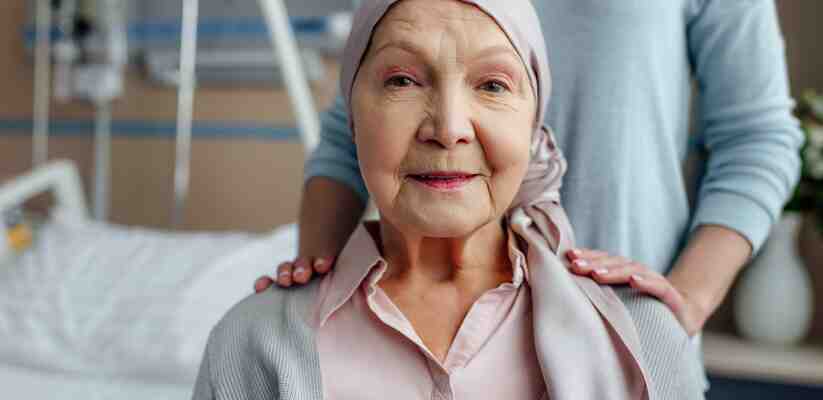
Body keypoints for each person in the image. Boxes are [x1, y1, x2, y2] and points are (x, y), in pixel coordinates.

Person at [254, 0, 804, 391]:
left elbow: (758, 139)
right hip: (417, 344)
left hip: (623, 358)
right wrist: (312, 296)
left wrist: (679, 311)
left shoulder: (650, 350)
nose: (450, 128)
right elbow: (350, 123)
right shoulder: (257, 347)